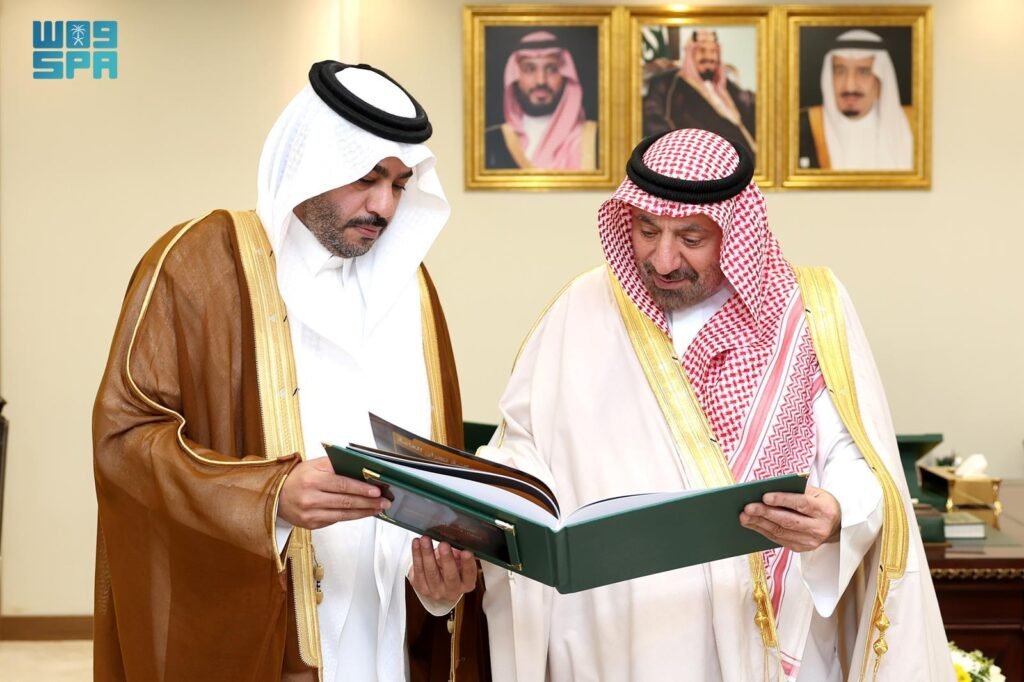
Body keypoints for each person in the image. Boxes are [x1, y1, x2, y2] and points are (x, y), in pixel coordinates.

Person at [479, 128, 953, 681]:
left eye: (691, 237)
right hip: (611, 640)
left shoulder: (808, 310)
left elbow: (856, 455)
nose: (663, 259)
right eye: (646, 229)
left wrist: (837, 516)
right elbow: (521, 453)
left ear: (734, 232)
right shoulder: (579, 310)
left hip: (762, 634)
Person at [92, 61, 488, 681]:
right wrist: (269, 496)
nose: (383, 206)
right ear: (315, 163)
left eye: (399, 184)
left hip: (387, 636)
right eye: (366, 178)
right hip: (262, 632)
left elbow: (433, 470)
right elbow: (126, 442)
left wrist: (438, 587)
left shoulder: (410, 289)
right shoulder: (200, 263)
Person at [799, 29, 913, 170]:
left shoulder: (913, 126)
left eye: (863, 72)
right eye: (840, 71)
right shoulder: (801, 127)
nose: (850, 86)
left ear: (880, 79)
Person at [485, 30, 598, 171]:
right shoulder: (490, 142)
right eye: (529, 69)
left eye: (551, 69)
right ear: (515, 76)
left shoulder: (597, 139)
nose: (541, 80)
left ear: (566, 75)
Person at [643, 30, 756, 154]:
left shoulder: (726, 86)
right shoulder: (668, 85)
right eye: (702, 51)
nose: (709, 57)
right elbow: (652, 121)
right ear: (690, 54)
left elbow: (750, 106)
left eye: (713, 51)